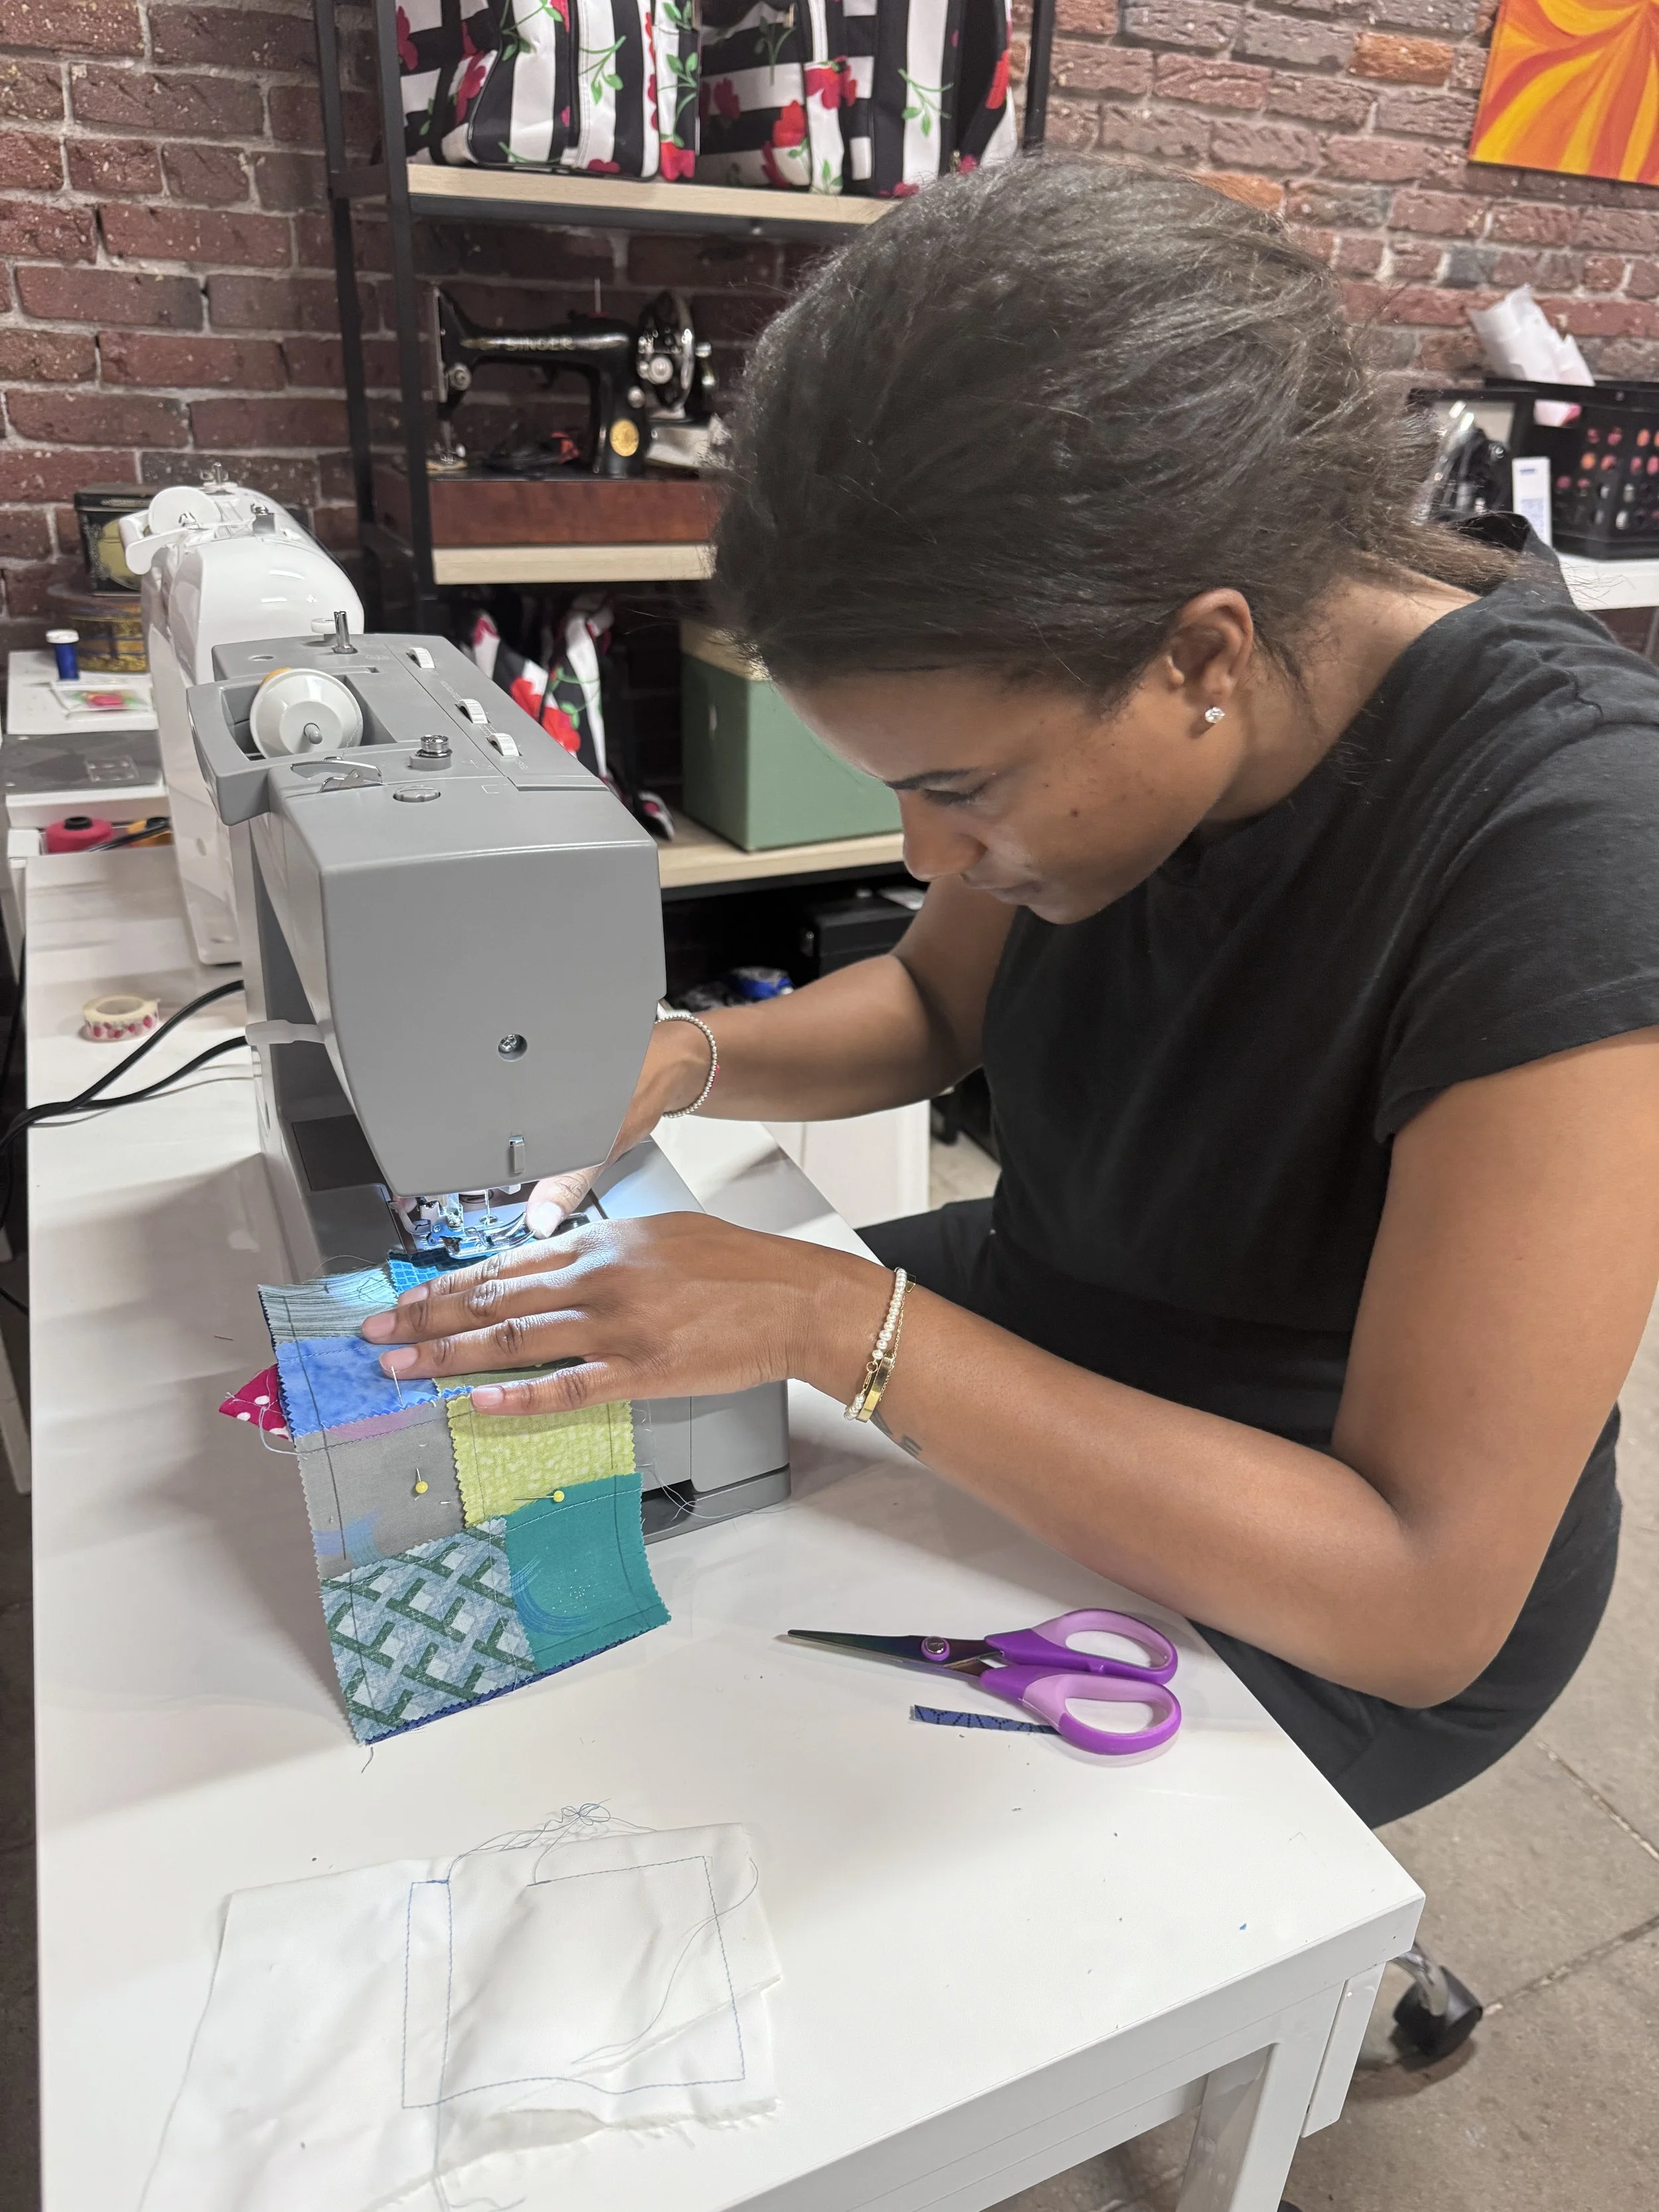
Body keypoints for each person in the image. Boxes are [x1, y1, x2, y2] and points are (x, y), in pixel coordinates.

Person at [363, 160, 1659, 1828]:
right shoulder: (1132, 728)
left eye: (961, 786)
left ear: (1198, 657)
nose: (923, 847)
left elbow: (1416, 1593)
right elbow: (929, 1013)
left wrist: (829, 1319)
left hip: (1307, 1536)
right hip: (1053, 1298)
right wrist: (674, 1058)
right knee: (614, 1450)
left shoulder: (1568, 841)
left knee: (737, 1784)